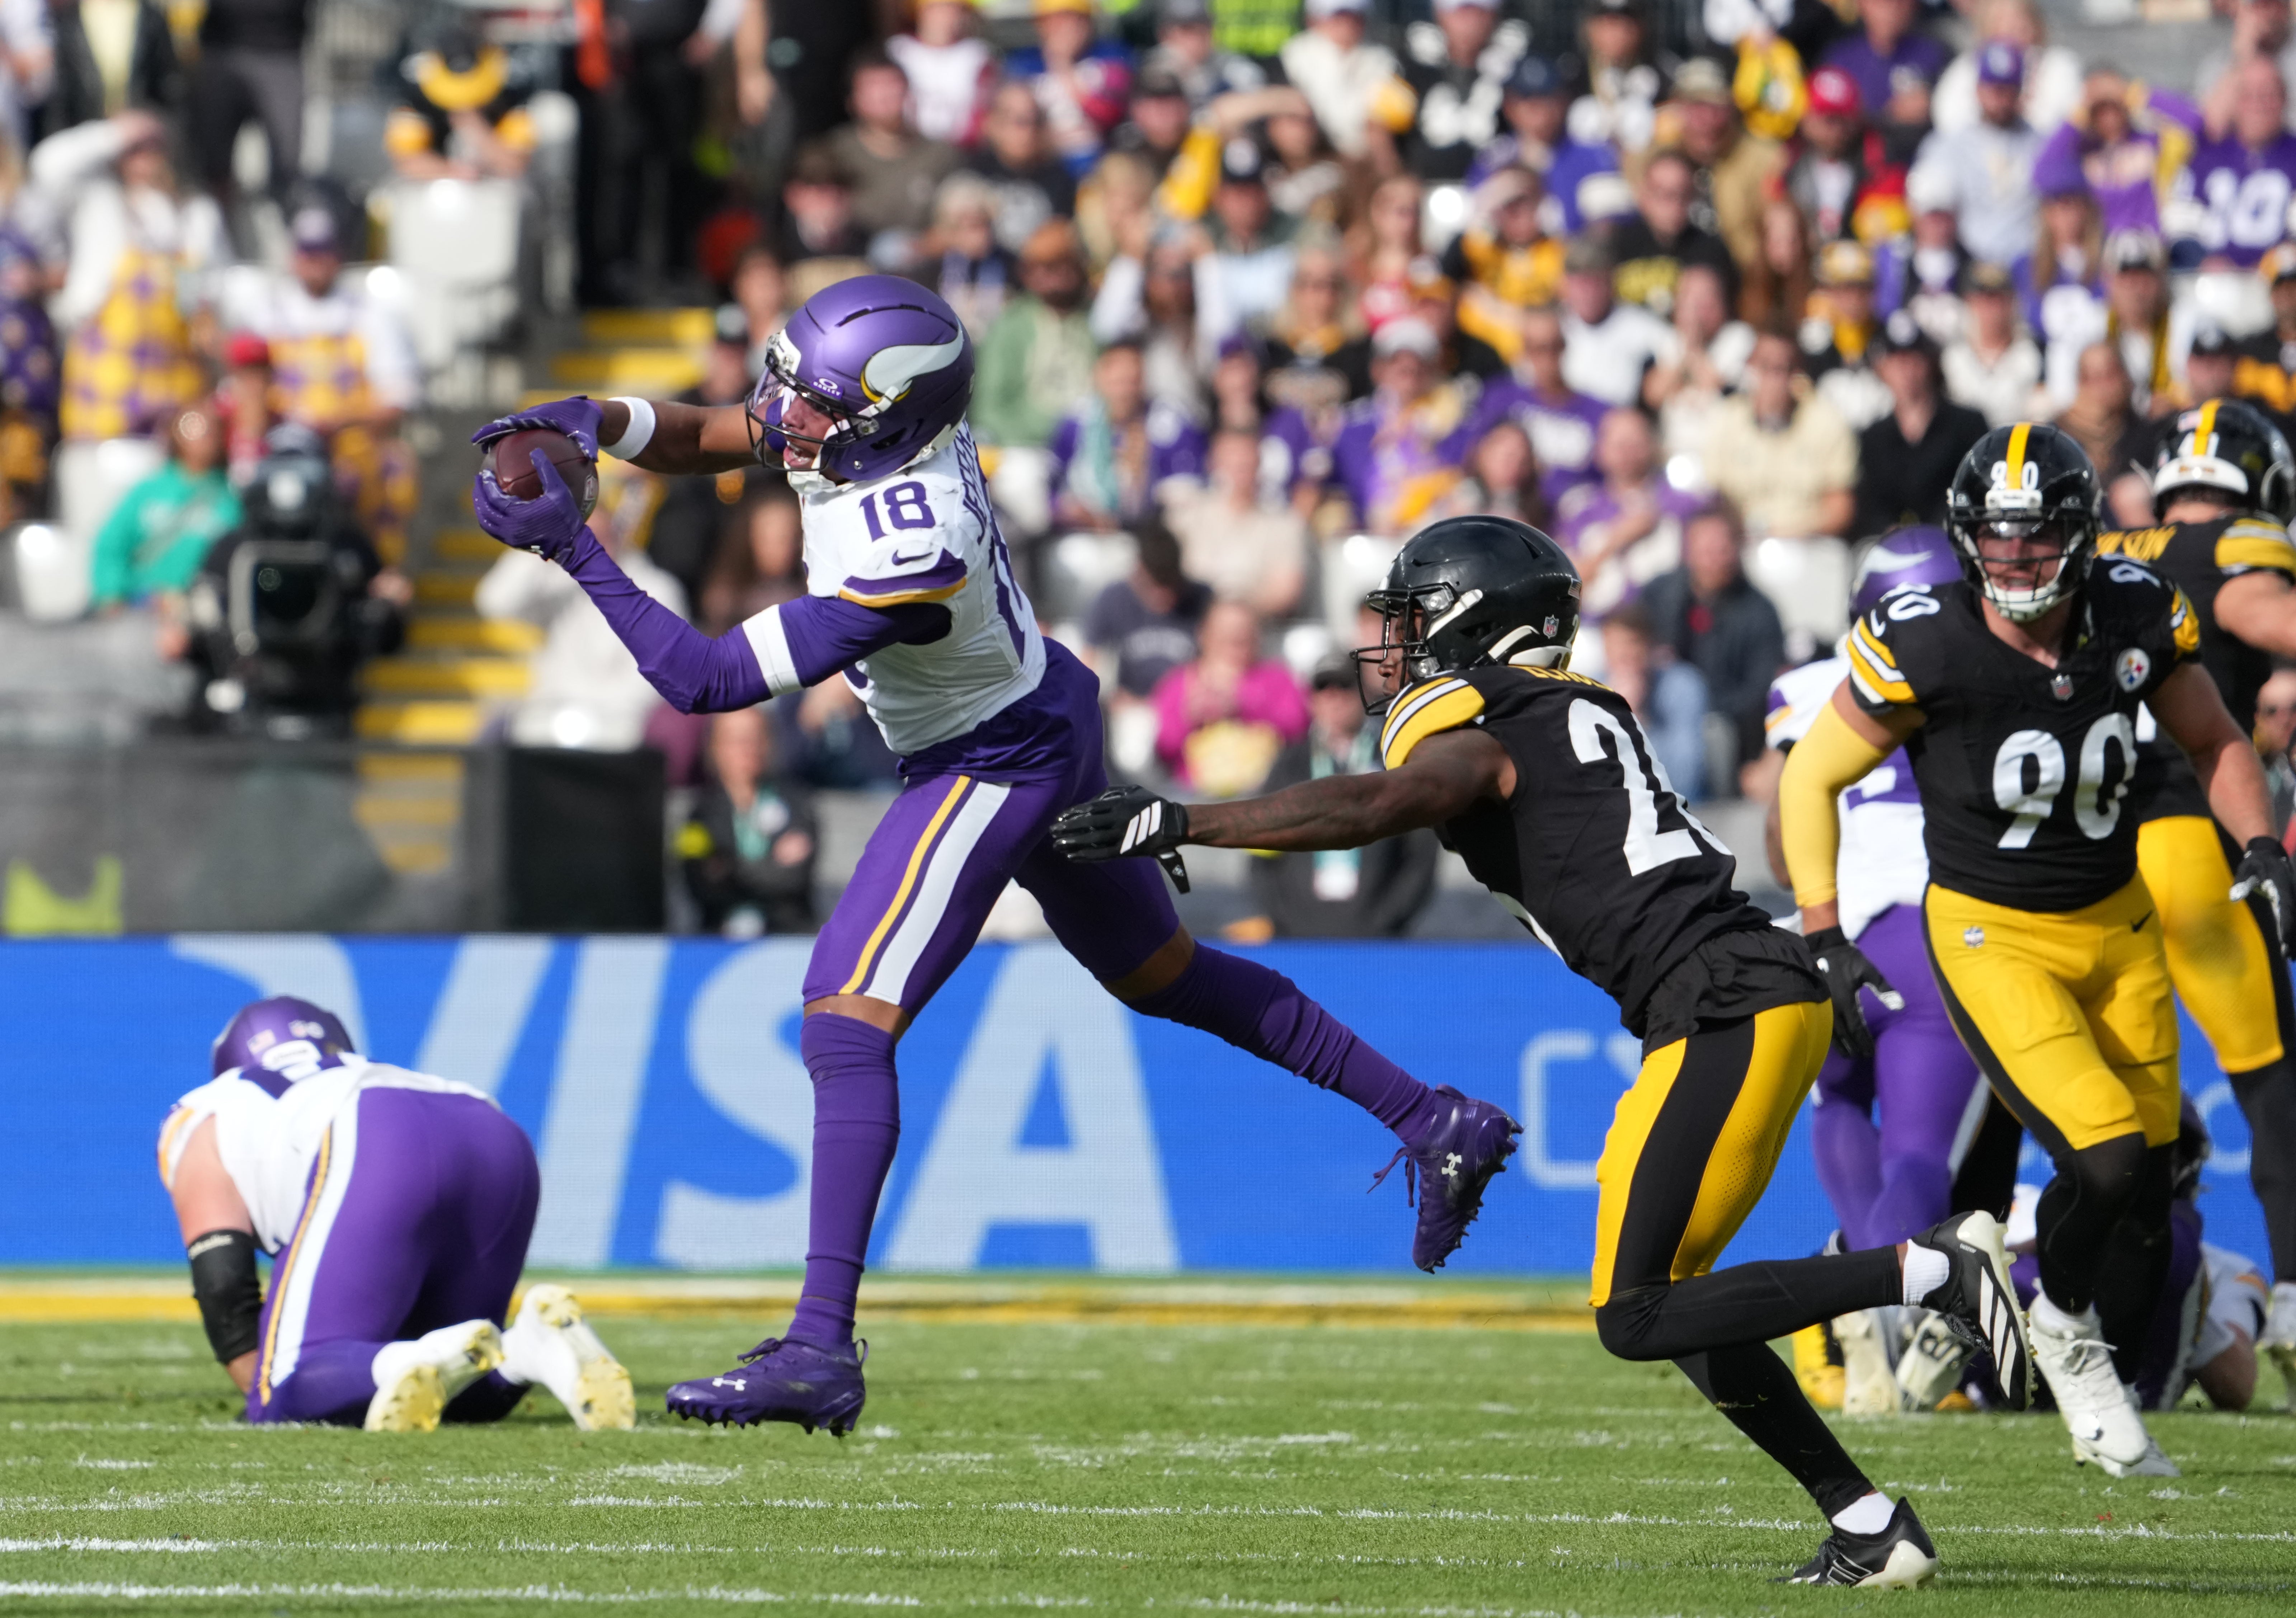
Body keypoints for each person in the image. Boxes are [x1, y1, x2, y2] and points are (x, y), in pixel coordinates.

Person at [469, 275, 1528, 1438]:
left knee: (843, 1018)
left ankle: (820, 1345)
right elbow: (719, 428)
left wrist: (577, 550)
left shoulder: (910, 538)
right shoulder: (875, 436)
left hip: (992, 755)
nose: (779, 413)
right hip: (1044, 707)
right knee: (1165, 975)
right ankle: (1433, 1119)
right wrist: (589, 417)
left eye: (809, 399)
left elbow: (707, 679)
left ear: (882, 419)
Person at [1052, 514, 2031, 1589]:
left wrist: (1187, 820)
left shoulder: (1488, 719)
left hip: (1723, 1000)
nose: (1396, 642)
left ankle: (1933, 1267)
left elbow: (1390, 801)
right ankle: (1866, 1521)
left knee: (1634, 1311)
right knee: (1673, 1297)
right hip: (1731, 994)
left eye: (1417, 617)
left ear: (1475, 619)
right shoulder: (1567, 707)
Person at [1776, 421, 2296, 1476]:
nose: (2016, 559)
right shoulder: (1925, 637)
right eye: (1997, 539)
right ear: (1969, 542)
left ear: (2082, 533)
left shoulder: (2133, 608)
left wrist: (2260, 844)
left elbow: (2215, 739)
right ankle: (2058, 1328)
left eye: (2037, 536)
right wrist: (1823, 929)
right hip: (1990, 931)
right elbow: (1808, 777)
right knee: (2101, 1154)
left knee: (2149, 1193)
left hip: (2122, 925)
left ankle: (2042, 1306)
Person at [158, 996, 633, 1432]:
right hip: (491, 1130)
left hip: (374, 1133)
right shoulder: (359, 1069)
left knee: (286, 1384)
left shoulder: (209, 1107)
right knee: (457, 1382)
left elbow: (223, 1281)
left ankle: (419, 1357)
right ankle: (529, 1349)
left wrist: (268, 1391)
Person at [1762, 531, 1987, 1416]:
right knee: (1924, 1152)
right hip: (1936, 936)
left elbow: (1785, 847)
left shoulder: (1805, 688)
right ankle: (1881, 1311)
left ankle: (1856, 1315)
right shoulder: (1977, 667)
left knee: (1839, 1104)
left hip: (1821, 933)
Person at [2097, 400, 2296, 1386]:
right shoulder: (2236, 546)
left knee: (2119, 1114)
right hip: (2187, 835)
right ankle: (2294, 1298)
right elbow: (2266, 615)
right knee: (2271, 1085)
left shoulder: (2106, 541)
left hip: (2086, 854)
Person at [1248, 653, 1439, 939]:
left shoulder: (1393, 759)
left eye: (1344, 686)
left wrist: (1387, 921)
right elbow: (1260, 848)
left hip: (1377, 939)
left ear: (1365, 693)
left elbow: (1421, 854)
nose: (1334, 697)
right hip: (1298, 938)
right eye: (1323, 688)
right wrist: (1285, 921)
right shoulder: (1289, 764)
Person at [1642, 502, 1787, 779]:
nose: (1714, 559)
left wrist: (1702, 707)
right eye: (1704, 550)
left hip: (1723, 725)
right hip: (1658, 713)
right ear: (1688, 550)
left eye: (1722, 549)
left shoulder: (1760, 612)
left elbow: (1758, 692)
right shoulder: (1658, 595)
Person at [1699, 325, 1858, 544]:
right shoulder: (1725, 419)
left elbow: (1841, 510)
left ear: (1798, 374)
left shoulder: (1827, 421)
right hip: (1740, 547)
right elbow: (1712, 498)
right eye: (1766, 367)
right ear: (1749, 367)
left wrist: (1783, 534)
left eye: (1784, 369)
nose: (1775, 379)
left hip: (1808, 547)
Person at [681, 704, 820, 937]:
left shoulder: (797, 805)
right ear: (715, 748)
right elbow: (700, 885)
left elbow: (794, 880)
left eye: (755, 739)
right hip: (716, 942)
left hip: (787, 938)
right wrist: (770, 864)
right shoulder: (699, 814)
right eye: (736, 740)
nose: (748, 749)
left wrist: (728, 867)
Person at [88, 400, 240, 610]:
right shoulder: (149, 491)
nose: (204, 437)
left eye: (212, 429)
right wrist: (110, 593)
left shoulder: (230, 497)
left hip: (203, 609)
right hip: (144, 604)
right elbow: (110, 544)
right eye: (193, 427)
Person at [1046, 339, 1207, 533]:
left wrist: (1146, 481)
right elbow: (1051, 486)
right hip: (1084, 534)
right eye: (1117, 382)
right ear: (1099, 378)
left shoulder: (1169, 423)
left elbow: (1188, 489)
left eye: (1132, 381)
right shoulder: (1076, 421)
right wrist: (1074, 511)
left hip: (1151, 535)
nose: (1124, 392)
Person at [1151, 598, 1309, 796]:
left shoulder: (1277, 677)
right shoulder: (1178, 683)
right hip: (1195, 794)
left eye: (1244, 630)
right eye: (1226, 632)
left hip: (1265, 791)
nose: (1237, 636)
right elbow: (1164, 748)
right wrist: (1189, 718)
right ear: (1205, 635)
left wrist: (1242, 706)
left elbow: (1298, 726)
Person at [1852, 312, 1989, 539]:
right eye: (1896, 360)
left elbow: (1978, 492)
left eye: (1914, 359)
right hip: (1890, 546)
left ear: (1930, 363)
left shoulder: (1968, 426)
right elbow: (1868, 505)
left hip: (1955, 543)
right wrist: (1888, 530)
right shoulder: (1873, 437)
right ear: (1882, 368)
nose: (1906, 371)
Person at [1908, 41, 2043, 271]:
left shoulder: (2040, 144)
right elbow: (1927, 212)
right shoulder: (1946, 145)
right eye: (1993, 88)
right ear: (1978, 89)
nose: (2000, 99)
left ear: (2021, 92)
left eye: (2008, 89)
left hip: (2028, 262)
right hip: (1967, 264)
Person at [1554, 406, 1698, 618]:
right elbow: (1566, 587)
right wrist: (1615, 540)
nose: (1628, 453)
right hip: (1593, 631)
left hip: (1664, 629)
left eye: (1636, 444)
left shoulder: (1686, 505)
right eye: (1619, 445)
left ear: (1653, 445)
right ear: (1600, 450)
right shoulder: (1579, 508)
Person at [1160, 425, 1307, 617]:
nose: (1240, 472)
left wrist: (1232, 612)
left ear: (1259, 465)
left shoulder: (1284, 524)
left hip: (1257, 630)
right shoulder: (1186, 518)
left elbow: (1285, 593)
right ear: (1213, 464)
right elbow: (1163, 577)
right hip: (1195, 624)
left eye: (1247, 463)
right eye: (1232, 463)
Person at [2171, 56, 2296, 270]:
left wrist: (2269, 267)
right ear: (2236, 102)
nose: (2259, 104)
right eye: (2250, 95)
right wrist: (2203, 262)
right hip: (2210, 287)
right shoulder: (2207, 157)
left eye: (2269, 94)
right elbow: (2180, 228)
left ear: (2285, 99)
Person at [825, 50, 959, 245]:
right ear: (853, 100)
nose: (885, 96)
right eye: (873, 87)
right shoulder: (835, 153)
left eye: (892, 85)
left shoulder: (941, 155)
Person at [1387, 0, 1526, 183]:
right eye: (1460, 13)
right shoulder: (1412, 67)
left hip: (1495, 192)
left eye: (1478, 13)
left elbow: (1534, 131)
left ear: (1495, 16)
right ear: (1440, 15)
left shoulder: (1517, 67)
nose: (1469, 24)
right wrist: (1399, 178)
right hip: (1425, 190)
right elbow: (1380, 127)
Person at [1609, 147, 1737, 319]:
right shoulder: (1617, 244)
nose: (1675, 205)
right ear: (1644, 194)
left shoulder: (1710, 249)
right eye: (1665, 194)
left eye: (1683, 194)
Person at [1557, 234, 1677, 409]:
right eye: (1580, 283)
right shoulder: (1555, 326)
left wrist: (1660, 381)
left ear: (1610, 282)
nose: (1587, 294)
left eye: (1595, 282)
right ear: (1566, 284)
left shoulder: (1636, 322)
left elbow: (1677, 348)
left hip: (1621, 420)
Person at [1279, 0, 1398, 163]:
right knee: (1292, 128)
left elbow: (1380, 126)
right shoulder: (1296, 55)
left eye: (1352, 16)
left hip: (1363, 157)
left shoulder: (1382, 59)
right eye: (1337, 17)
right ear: (1314, 19)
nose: (1346, 24)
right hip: (1317, 150)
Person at [1942, 261, 2045, 428]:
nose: (1992, 310)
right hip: (1964, 448)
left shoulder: (2034, 353)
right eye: (1984, 300)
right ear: (1970, 303)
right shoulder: (1952, 356)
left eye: (1999, 300)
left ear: (2012, 302)